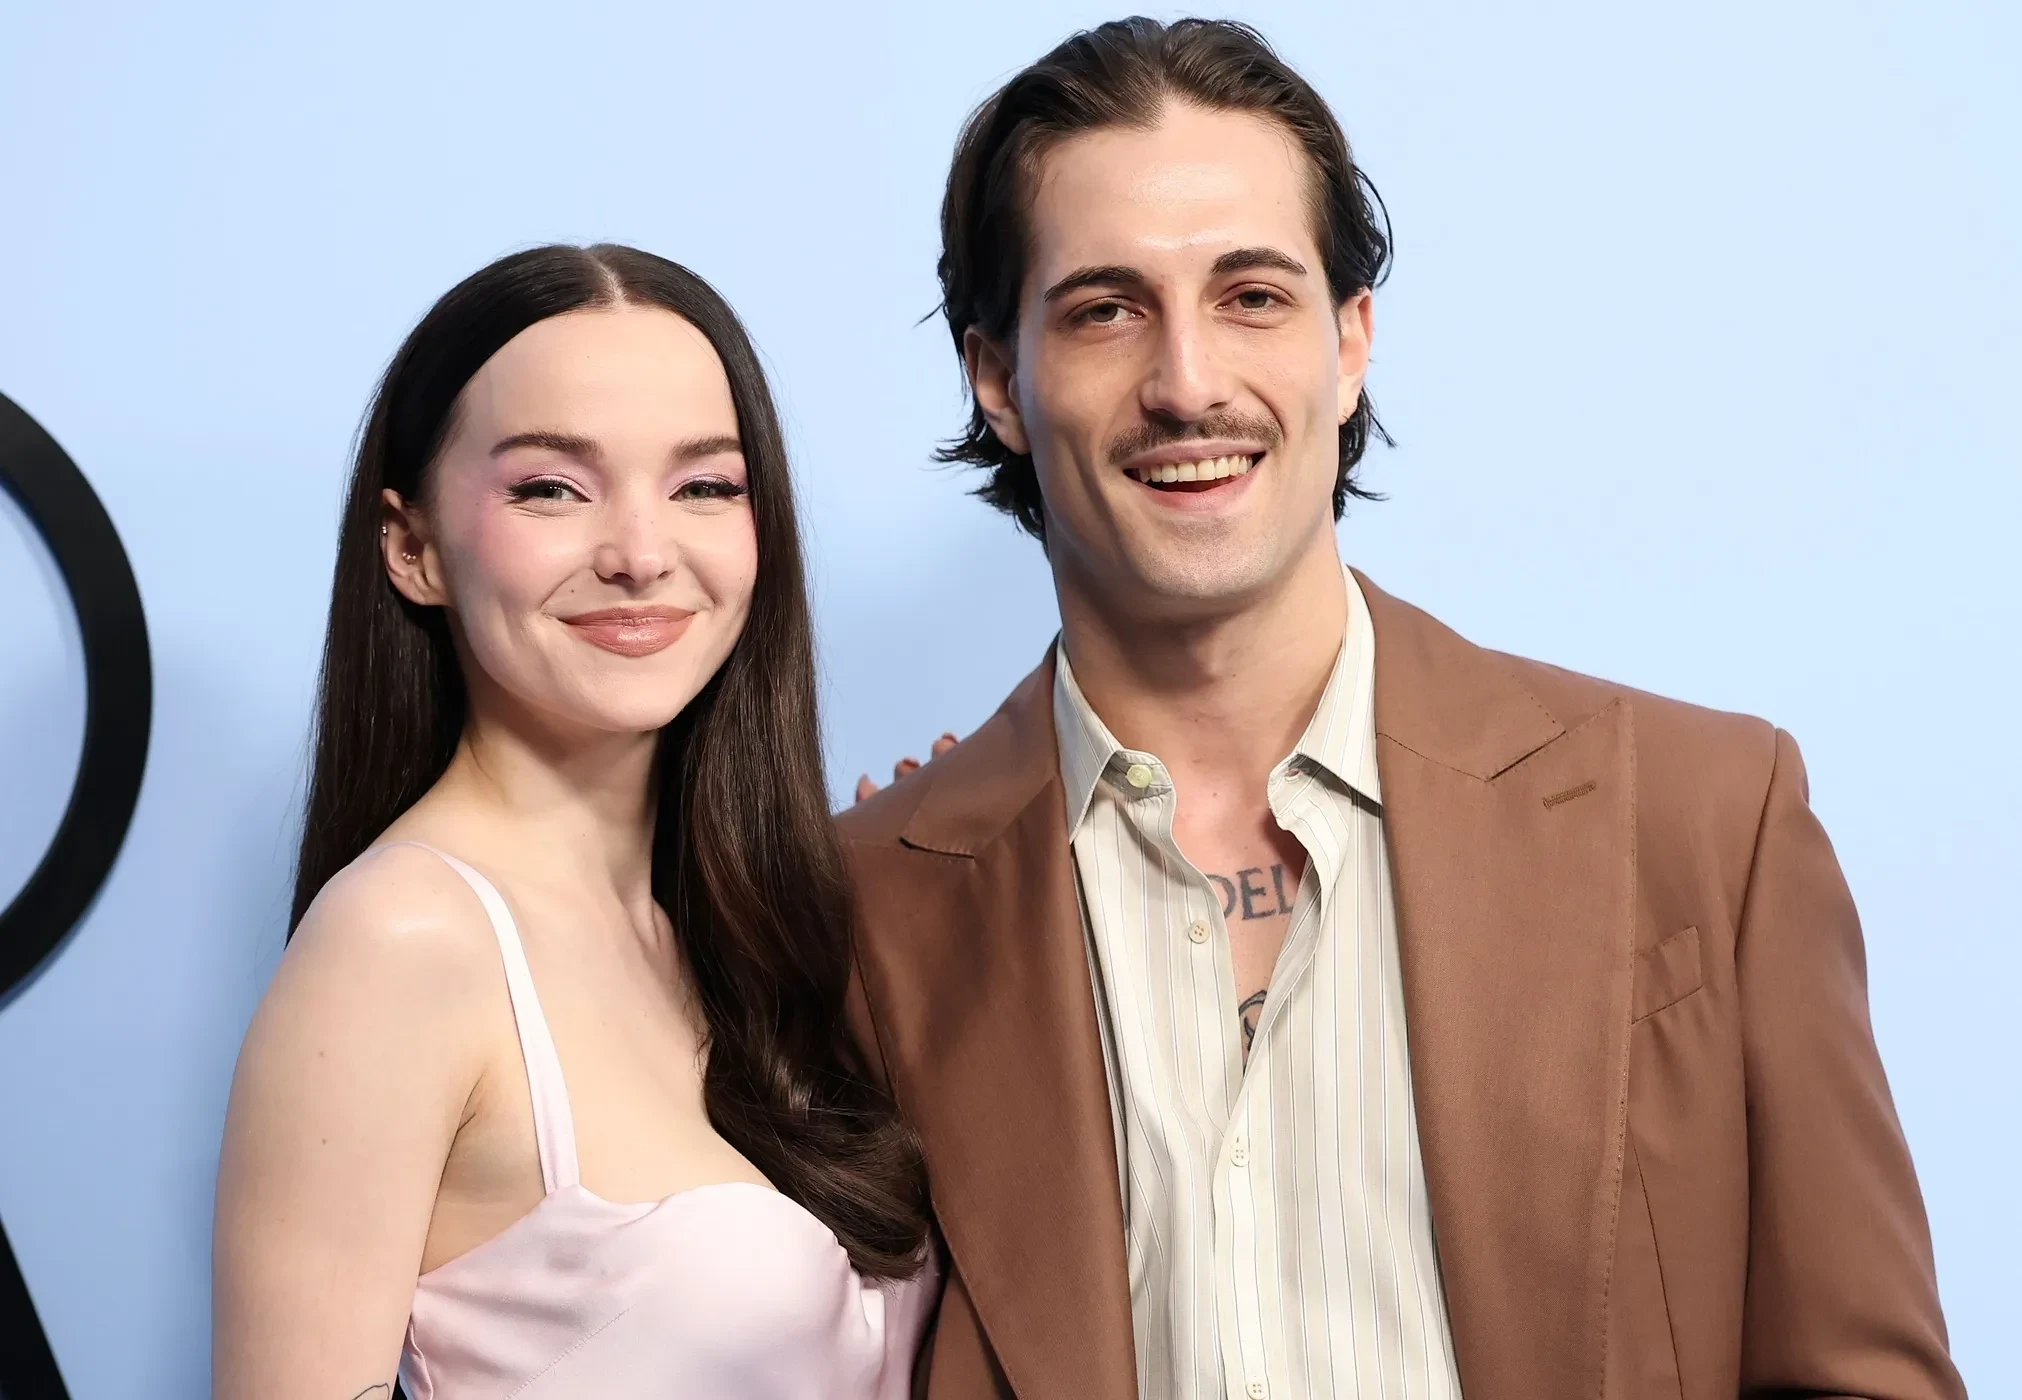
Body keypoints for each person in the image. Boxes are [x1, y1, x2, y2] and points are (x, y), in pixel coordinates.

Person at [844, 17, 1963, 1400]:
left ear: (1349, 341)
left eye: (1252, 295)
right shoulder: (854, 916)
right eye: (1105, 310)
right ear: (997, 380)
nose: (1188, 381)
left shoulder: (1703, 820)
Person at [213, 244, 933, 1399]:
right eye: (551, 487)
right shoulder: (404, 940)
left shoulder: (741, 931)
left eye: (705, 486)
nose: (641, 554)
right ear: (412, 546)